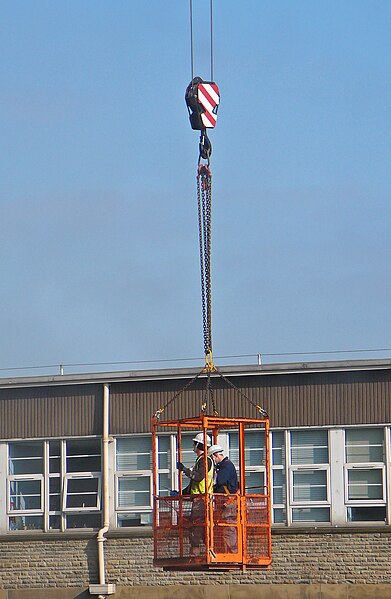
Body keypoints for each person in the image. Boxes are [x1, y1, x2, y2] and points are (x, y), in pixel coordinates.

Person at [177, 432, 213, 556]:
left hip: (202, 500)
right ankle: (201, 551)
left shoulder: (205, 460)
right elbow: (194, 483)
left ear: (198, 444)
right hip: (200, 498)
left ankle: (199, 553)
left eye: (194, 443)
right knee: (198, 527)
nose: (193, 446)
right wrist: (180, 493)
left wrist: (184, 470)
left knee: (197, 527)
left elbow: (198, 477)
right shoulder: (201, 460)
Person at [208, 443, 239, 554]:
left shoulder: (225, 466)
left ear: (216, 455)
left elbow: (221, 481)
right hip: (226, 501)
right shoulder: (226, 465)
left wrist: (216, 470)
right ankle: (229, 552)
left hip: (228, 501)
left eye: (212, 458)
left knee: (228, 528)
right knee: (225, 528)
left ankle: (233, 553)